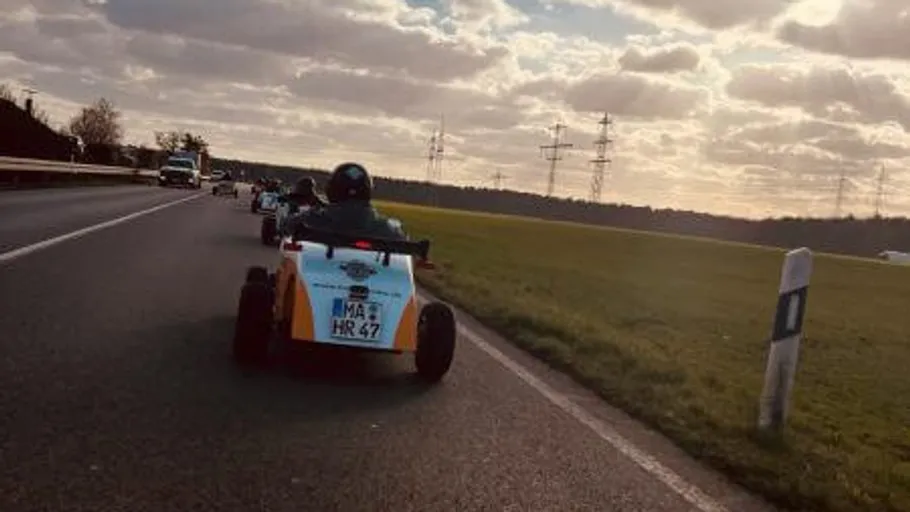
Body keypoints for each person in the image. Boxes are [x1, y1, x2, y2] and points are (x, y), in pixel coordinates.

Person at [282, 162, 406, 240]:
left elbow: (286, 225)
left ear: (332, 190)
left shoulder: (313, 219)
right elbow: (403, 242)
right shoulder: (386, 228)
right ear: (367, 191)